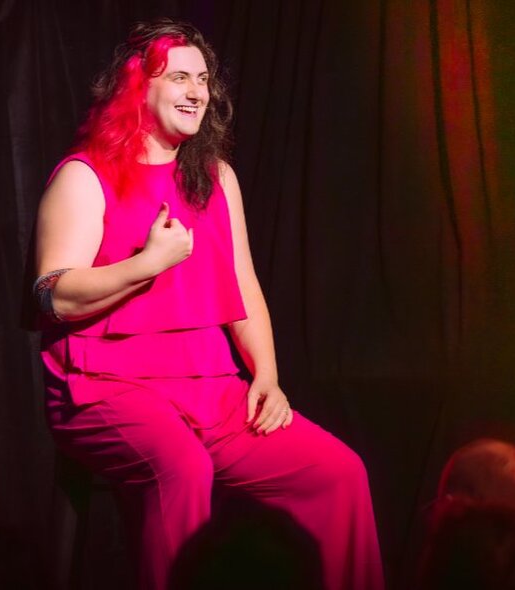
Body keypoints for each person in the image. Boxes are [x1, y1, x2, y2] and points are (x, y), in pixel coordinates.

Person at [34, 18, 383, 590]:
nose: (197, 91)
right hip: (103, 387)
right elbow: (53, 296)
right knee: (182, 468)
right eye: (179, 77)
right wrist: (147, 263)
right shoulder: (85, 176)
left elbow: (244, 287)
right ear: (135, 87)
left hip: (207, 388)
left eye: (203, 79)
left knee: (338, 473)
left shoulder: (216, 179)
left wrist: (266, 374)